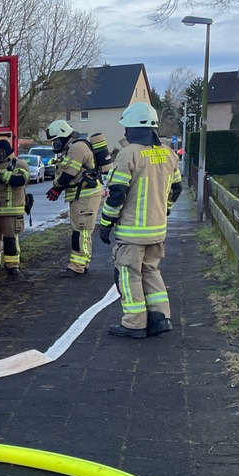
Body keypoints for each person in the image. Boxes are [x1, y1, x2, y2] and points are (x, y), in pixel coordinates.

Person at [98, 102, 183, 339]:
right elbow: (177, 188)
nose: (125, 132)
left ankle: (134, 323)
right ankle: (160, 318)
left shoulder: (129, 154)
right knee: (151, 271)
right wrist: (164, 210)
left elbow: (117, 193)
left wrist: (105, 223)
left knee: (129, 275)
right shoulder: (168, 154)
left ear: (133, 128)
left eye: (126, 128)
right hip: (157, 230)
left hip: (132, 232)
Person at [44, 120, 104, 277]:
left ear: (63, 135)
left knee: (80, 231)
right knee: (83, 231)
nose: (55, 144)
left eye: (56, 140)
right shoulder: (74, 147)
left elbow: (68, 173)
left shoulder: (76, 148)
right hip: (83, 195)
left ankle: (76, 266)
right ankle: (82, 263)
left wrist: (56, 187)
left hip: (85, 196)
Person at [0, 138, 29, 275]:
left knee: (10, 240)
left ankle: (12, 266)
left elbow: (20, 180)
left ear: (6, 152)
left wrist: (0, 174)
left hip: (12, 211)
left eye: (0, 152)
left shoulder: (19, 164)